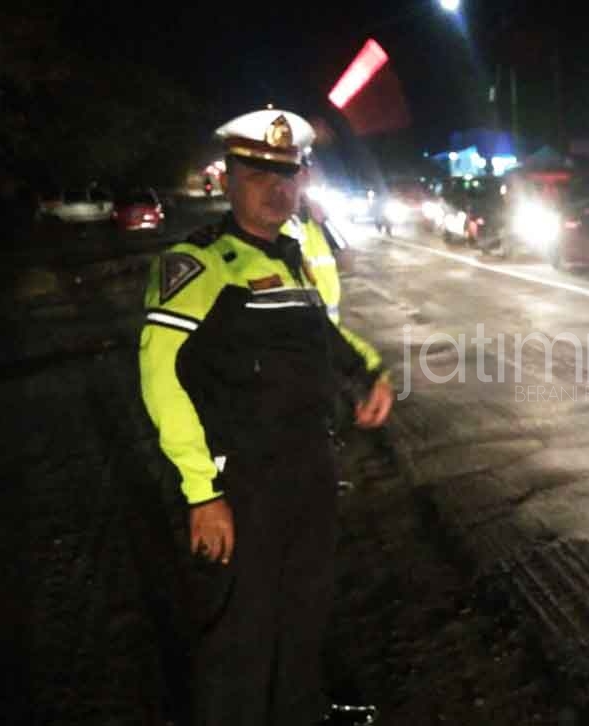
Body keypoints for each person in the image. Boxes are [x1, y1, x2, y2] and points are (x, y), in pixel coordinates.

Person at [138, 108, 392, 726]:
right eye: (259, 174)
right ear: (229, 179)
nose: (277, 188)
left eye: (289, 175)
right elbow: (159, 379)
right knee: (240, 633)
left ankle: (298, 711)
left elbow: (323, 338)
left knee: (302, 610)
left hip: (306, 467)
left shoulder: (289, 256)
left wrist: (370, 370)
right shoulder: (199, 265)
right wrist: (203, 492)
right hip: (240, 482)